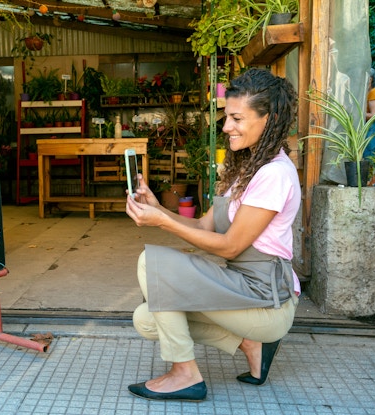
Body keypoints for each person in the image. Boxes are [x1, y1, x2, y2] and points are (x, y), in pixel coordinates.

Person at [125, 68, 301, 402]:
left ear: (270, 119)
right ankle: (251, 344)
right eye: (226, 117)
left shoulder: (274, 174)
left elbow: (231, 246)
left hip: (265, 297)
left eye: (237, 118)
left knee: (153, 264)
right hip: (239, 288)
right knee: (146, 319)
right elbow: (205, 227)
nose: (226, 127)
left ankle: (184, 374)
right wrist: (157, 208)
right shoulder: (248, 168)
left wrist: (160, 223)